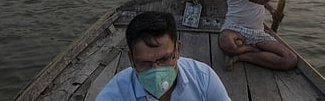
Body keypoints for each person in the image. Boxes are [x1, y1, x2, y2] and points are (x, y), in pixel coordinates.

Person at [96, 11, 231, 101]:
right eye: (145, 63)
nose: (156, 71)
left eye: (164, 59)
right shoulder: (115, 94)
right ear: (131, 59)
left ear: (177, 50)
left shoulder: (203, 79)